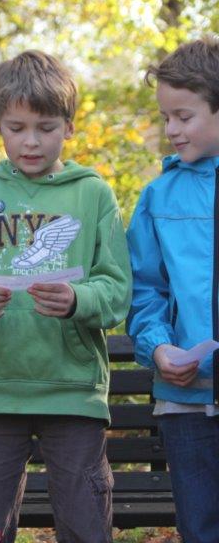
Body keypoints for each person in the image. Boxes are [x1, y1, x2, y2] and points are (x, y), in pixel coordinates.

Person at [0, 50, 132, 543]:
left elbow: (117, 288)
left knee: (86, 525)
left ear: (69, 126)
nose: (31, 141)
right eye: (17, 127)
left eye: (46, 127)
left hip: (73, 391)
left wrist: (78, 300)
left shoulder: (93, 194)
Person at [127, 37, 219, 543]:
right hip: (187, 404)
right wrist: (157, 346)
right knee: (200, 528)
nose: (171, 130)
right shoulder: (158, 195)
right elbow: (144, 291)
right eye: (166, 118)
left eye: (183, 116)